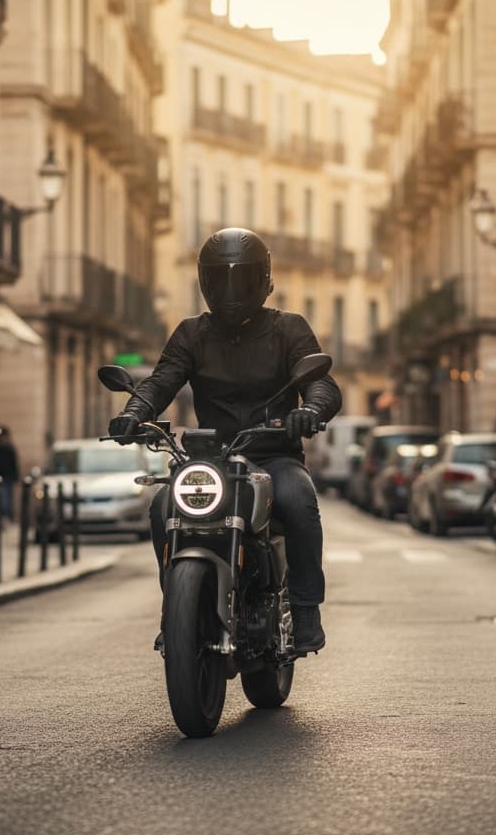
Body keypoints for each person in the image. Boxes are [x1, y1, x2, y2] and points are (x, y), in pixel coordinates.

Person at [108, 227, 342, 653]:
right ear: (205, 282)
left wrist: (309, 411)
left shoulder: (289, 328)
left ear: (264, 279)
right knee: (162, 508)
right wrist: (133, 413)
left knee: (299, 501)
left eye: (243, 277)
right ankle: (175, 611)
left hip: (274, 457)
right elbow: (161, 382)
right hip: (210, 461)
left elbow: (322, 384)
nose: (232, 290)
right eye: (221, 278)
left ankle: (306, 609)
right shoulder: (191, 333)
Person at [0, 426, 19, 522]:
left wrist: (15, 476)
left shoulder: (9, 448)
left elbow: (14, 463)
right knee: (0, 498)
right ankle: (1, 517)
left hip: (7, 477)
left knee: (7, 498)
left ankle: (7, 516)